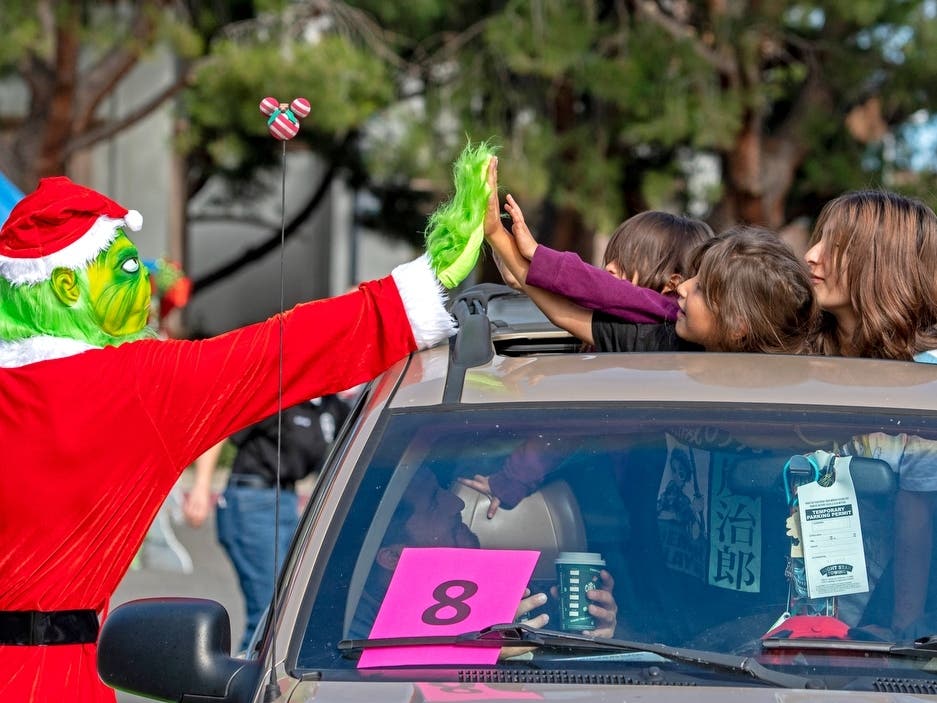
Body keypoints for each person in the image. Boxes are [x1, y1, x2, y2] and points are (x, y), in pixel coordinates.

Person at [0, 167, 486, 703]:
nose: (146, 284)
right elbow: (277, 352)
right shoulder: (133, 385)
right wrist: (409, 293)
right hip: (49, 682)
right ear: (67, 285)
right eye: (128, 266)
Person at [483, 159, 818, 354]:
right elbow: (566, 315)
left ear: (738, 328)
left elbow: (607, 293)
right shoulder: (667, 340)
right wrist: (497, 233)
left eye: (700, 289)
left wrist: (536, 255)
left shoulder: (781, 395)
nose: (683, 288)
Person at [803, 190, 937, 639]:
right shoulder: (792, 361)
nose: (810, 255)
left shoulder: (925, 383)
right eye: (817, 239)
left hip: (868, 641)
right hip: (773, 621)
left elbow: (915, 521)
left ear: (885, 264)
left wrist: (901, 636)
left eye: (836, 248)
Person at [350, 466, 618, 648]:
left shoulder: (531, 596)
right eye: (433, 501)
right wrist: (479, 644)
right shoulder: (354, 635)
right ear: (392, 557)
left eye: (442, 490)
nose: (457, 503)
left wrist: (599, 636)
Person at [186, 394, 351, 651]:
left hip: (287, 500)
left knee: (287, 609)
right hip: (251, 499)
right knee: (268, 613)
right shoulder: (282, 395)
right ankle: (242, 683)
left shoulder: (330, 407)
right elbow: (217, 432)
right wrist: (201, 486)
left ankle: (250, 675)